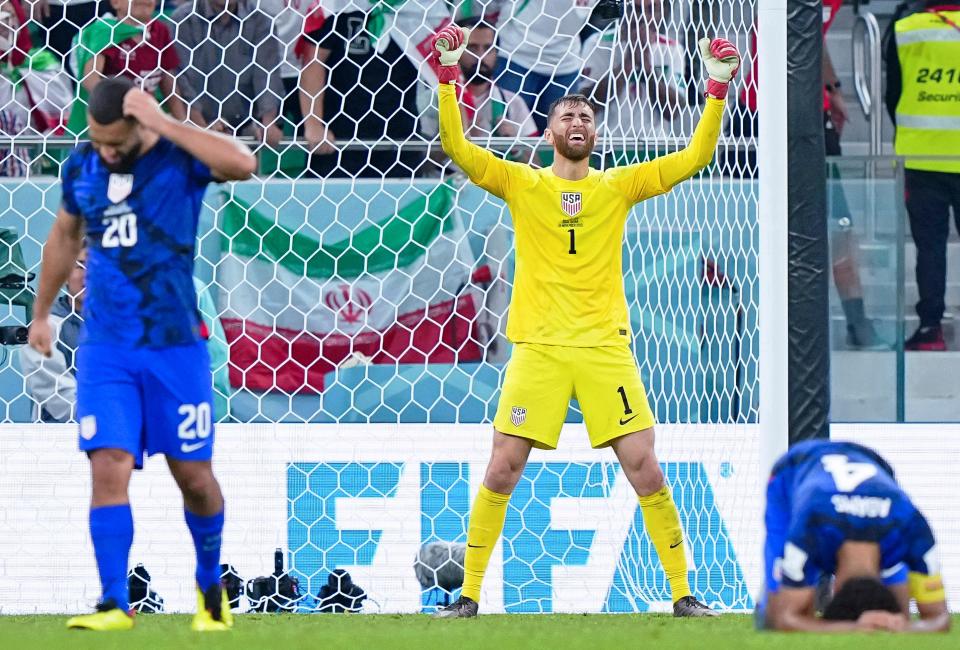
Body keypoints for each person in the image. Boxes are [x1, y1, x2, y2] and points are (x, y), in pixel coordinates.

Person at [430, 24, 738, 618]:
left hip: (604, 349)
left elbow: (697, 157)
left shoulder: (618, 187)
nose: (577, 123)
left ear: (595, 133)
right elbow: (461, 151)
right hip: (539, 349)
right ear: (548, 132)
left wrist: (717, 89)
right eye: (567, 115)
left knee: (645, 467)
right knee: (502, 466)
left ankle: (682, 594)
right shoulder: (523, 184)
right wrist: (448, 78)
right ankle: (467, 596)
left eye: (586, 117)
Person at [28, 76, 256, 631]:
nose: (105, 149)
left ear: (140, 123)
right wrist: (41, 313)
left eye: (115, 140)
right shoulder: (83, 167)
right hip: (108, 349)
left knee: (194, 477)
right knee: (108, 465)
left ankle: (210, 592)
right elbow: (63, 236)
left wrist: (165, 121)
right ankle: (113, 604)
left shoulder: (179, 158)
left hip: (174, 348)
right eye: (98, 138)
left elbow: (243, 164)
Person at [733, 0, 881, 349]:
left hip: (809, 113)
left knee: (839, 223)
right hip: (761, 116)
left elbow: (817, 37)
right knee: (751, 226)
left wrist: (834, 89)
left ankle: (856, 322)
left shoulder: (822, 5)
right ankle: (753, 323)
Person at [758, 439, 950, 632]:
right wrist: (855, 628)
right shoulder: (811, 530)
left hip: (873, 463)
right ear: (834, 590)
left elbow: (941, 621)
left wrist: (899, 627)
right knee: (773, 617)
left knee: (897, 617)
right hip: (792, 470)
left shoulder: (912, 526)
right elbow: (783, 619)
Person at [19, 254, 233, 423]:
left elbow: (213, 368)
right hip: (61, 443)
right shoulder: (48, 327)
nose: (89, 274)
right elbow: (61, 401)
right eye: (79, 265)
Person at [885, 2, 960, 351]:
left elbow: (893, 95)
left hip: (923, 156)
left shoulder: (906, 29)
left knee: (929, 248)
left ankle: (931, 328)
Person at [296, 0, 424, 178]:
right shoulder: (335, 6)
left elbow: (446, 71)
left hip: (400, 137)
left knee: (404, 204)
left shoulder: (422, 9)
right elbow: (313, 61)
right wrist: (313, 124)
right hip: (338, 139)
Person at [581, 0, 688, 159]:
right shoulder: (597, 43)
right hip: (604, 148)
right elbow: (587, 107)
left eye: (651, 9)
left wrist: (647, 69)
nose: (643, 17)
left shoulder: (672, 48)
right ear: (624, 10)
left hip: (653, 148)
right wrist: (628, 62)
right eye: (637, 10)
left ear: (663, 13)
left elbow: (673, 112)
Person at [171, 0, 283, 148]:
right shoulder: (183, 19)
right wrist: (202, 128)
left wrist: (268, 123)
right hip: (195, 126)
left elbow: (267, 74)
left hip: (244, 127)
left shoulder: (260, 19)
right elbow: (182, 79)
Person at [67, 0, 187, 136]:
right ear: (115, 3)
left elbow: (168, 78)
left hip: (146, 117)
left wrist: (181, 123)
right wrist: (117, 107)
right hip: (113, 118)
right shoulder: (105, 31)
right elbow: (90, 79)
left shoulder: (159, 30)